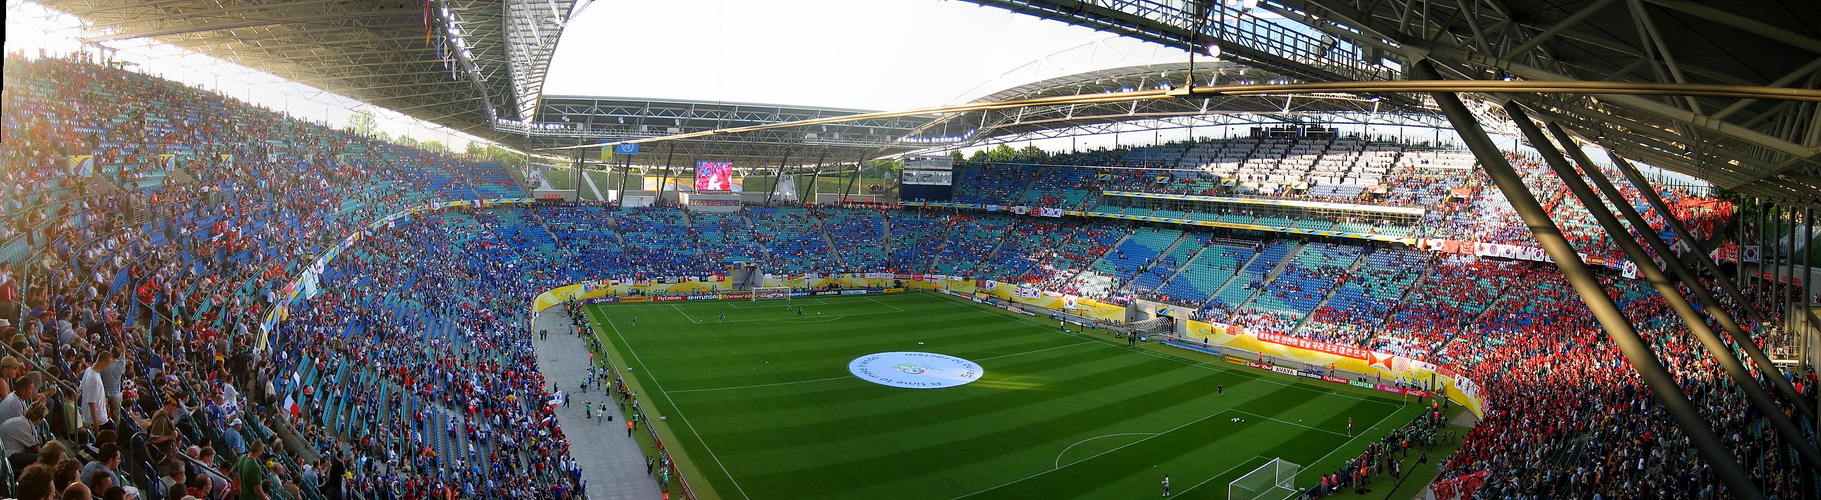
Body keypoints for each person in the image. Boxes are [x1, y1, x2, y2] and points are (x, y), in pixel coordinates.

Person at [81, 351, 113, 433]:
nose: (108, 366)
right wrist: (96, 422)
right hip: (98, 418)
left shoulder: (89, 370)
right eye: (108, 363)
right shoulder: (94, 378)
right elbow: (91, 402)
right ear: (103, 362)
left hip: (96, 414)